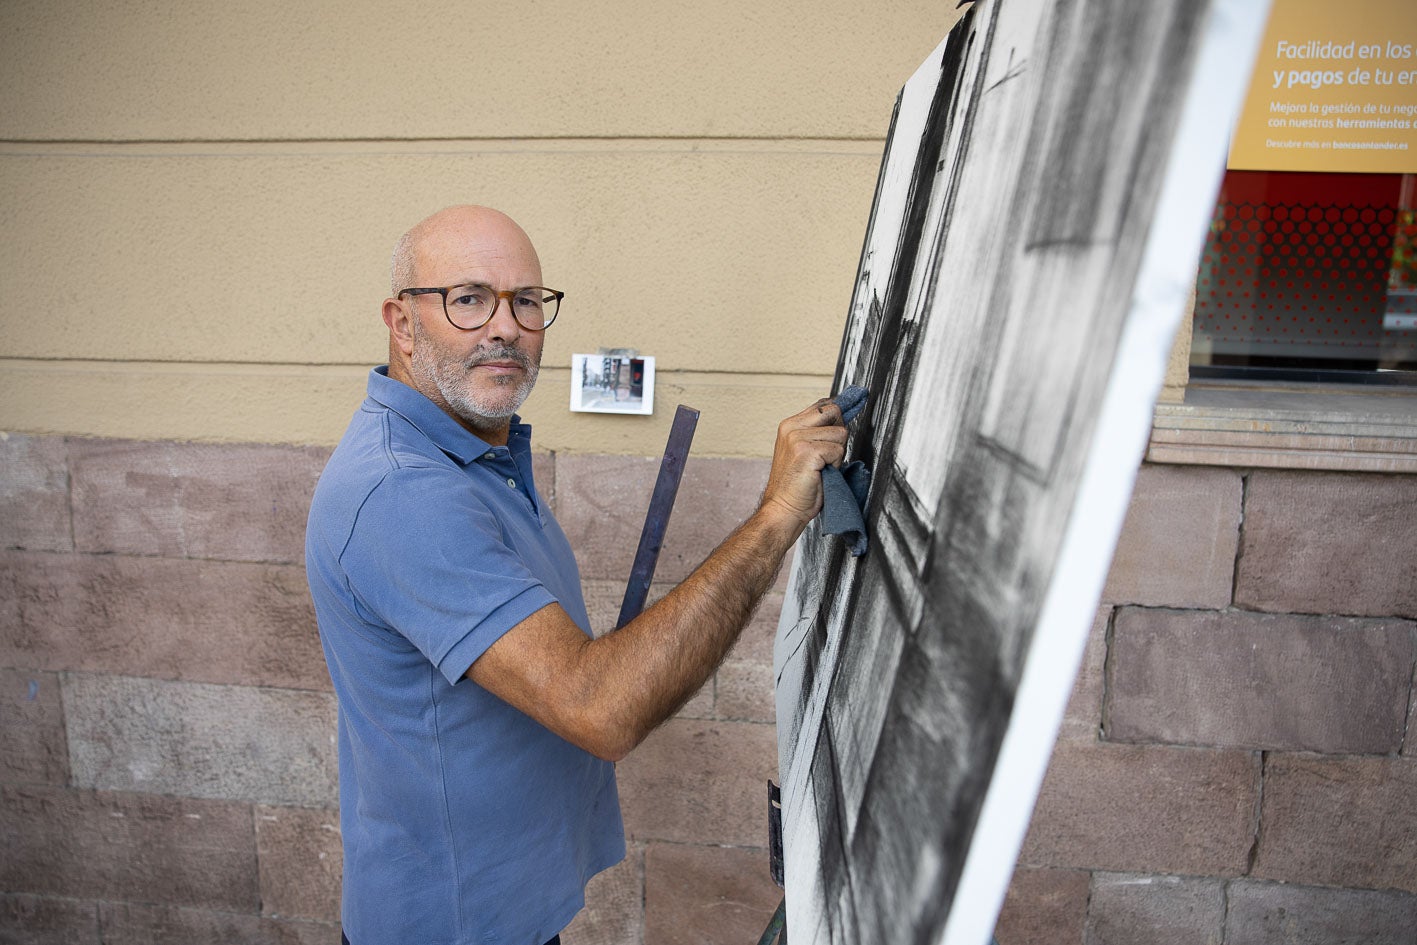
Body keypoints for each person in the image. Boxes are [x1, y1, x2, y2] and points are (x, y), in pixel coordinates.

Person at [305, 205, 847, 945]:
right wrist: (777, 513)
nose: (504, 326)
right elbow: (600, 707)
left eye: (526, 301)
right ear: (402, 323)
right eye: (468, 298)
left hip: (506, 916)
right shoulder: (404, 491)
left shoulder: (474, 451)